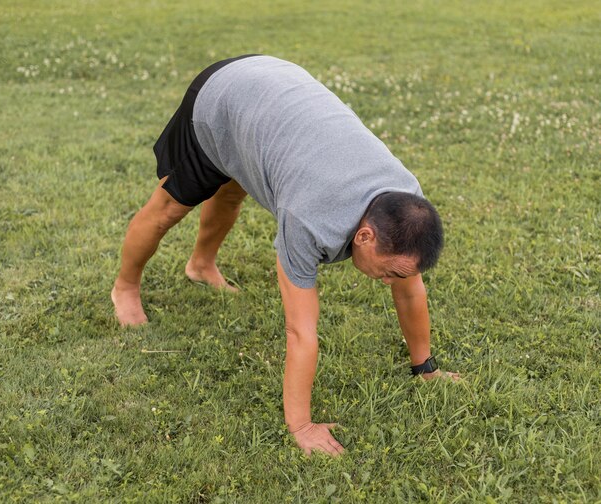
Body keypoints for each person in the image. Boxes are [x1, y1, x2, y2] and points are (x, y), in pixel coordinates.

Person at [111, 55, 459, 457]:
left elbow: (410, 288)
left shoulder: (405, 204)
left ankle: (201, 266)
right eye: (389, 272)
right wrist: (302, 425)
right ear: (364, 235)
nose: (389, 281)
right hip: (225, 100)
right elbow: (300, 331)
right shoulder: (309, 218)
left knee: (233, 188)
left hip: (274, 100)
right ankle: (125, 288)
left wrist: (425, 369)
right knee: (170, 207)